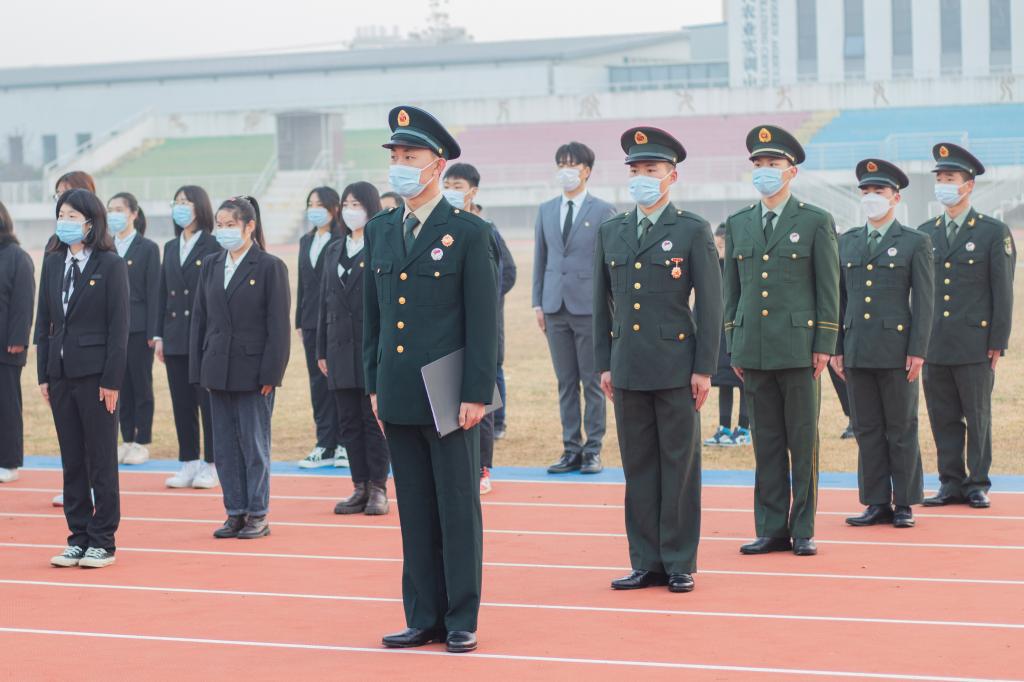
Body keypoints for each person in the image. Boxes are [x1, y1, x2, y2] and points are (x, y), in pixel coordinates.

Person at [364, 106, 497, 654]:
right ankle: (422, 616)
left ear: (437, 164)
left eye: (409, 156)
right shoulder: (380, 229)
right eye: (395, 156)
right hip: (398, 390)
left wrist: (476, 393)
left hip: (448, 393)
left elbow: (483, 321)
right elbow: (373, 317)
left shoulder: (468, 232)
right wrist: (374, 383)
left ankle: (460, 617)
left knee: (457, 508)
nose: (399, 165)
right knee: (415, 510)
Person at [594, 127, 722, 593]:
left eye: (651, 170)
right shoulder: (611, 231)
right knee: (639, 467)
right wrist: (604, 363)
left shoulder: (691, 229)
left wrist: (704, 368)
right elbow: (601, 302)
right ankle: (645, 560)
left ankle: (679, 560)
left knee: (679, 468)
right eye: (635, 170)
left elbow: (711, 304)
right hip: (627, 366)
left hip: (675, 366)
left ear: (672, 176)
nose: (642, 178)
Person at [723, 125, 840, 557]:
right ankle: (771, 527)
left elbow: (828, 287)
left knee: (802, 442)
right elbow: (732, 291)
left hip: (799, 349)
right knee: (766, 442)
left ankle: (803, 527)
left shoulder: (814, 220)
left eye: (773, 163)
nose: (765, 171)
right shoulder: (739, 223)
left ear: (792, 171)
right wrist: (734, 342)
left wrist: (824, 342)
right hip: (754, 349)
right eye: (758, 164)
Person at [832, 159, 933, 528]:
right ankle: (875, 501)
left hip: (897, 350)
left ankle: (904, 502)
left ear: (895, 197)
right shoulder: (847, 241)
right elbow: (838, 299)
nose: (871, 197)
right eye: (866, 191)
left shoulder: (914, 242)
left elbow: (924, 301)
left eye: (879, 191)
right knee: (867, 427)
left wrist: (918, 350)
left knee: (901, 427)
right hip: (857, 348)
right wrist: (837, 346)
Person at [917, 143, 1015, 510]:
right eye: (940, 179)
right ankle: (950, 481)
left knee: (977, 415)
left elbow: (1003, 291)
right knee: (942, 416)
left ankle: (977, 483)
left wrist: (998, 341)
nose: (944, 185)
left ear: (968, 185)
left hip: (975, 342)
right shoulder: (925, 233)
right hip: (935, 342)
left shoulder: (993, 232)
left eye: (950, 178)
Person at [37, 189, 129, 568]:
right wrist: (44, 373)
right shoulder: (53, 262)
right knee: (72, 459)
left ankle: (103, 539)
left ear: (91, 223)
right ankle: (77, 536)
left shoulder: (110, 264)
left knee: (101, 459)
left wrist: (112, 379)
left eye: (73, 216)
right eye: (61, 215)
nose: (65, 222)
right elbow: (44, 322)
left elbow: (119, 327)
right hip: (60, 375)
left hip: (96, 377)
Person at [190, 196, 291, 539]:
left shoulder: (270, 267)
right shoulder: (211, 264)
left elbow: (278, 327)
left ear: (250, 226)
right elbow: (200, 319)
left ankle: (257, 513)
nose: (224, 231)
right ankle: (235, 511)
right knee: (224, 447)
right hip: (217, 368)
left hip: (253, 372)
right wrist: (198, 369)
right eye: (220, 225)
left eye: (231, 225)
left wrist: (271, 374)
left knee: (253, 445)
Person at [532, 141, 617, 474]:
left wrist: (609, 308)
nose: (565, 171)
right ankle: (570, 448)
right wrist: (538, 303)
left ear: (587, 171)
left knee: (592, 382)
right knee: (565, 383)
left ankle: (592, 449)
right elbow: (541, 259)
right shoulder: (546, 210)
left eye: (572, 164)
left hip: (589, 308)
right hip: (554, 307)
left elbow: (610, 264)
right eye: (561, 164)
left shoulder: (603, 210)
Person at [317, 182, 391, 515]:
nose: (350, 210)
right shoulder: (334, 249)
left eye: (356, 204)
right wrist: (321, 349)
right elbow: (324, 301)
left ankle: (378, 487)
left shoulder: (382, 245)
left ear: (370, 208)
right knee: (347, 421)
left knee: (372, 420)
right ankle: (359, 485)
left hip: (370, 346)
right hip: (338, 347)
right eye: (346, 204)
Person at [442, 162, 516, 494]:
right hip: (447, 333)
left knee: (482, 400)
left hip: (482, 331)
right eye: (447, 185)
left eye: (457, 186)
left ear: (472, 191)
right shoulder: (440, 228)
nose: (451, 192)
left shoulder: (485, 229)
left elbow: (507, 271)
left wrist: (483, 302)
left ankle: (483, 467)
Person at [155, 186, 221, 489]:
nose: (180, 207)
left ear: (200, 207)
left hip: (203, 336)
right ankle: (189, 461)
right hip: (174, 335)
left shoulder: (213, 244)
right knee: (181, 402)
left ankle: (212, 463)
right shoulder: (170, 246)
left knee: (206, 403)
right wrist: (159, 335)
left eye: (186, 202)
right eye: (177, 202)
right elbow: (162, 292)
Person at [49, 172, 96, 507]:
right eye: (58, 202)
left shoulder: (104, 258)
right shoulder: (55, 254)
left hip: (92, 362)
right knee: (70, 439)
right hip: (62, 364)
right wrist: (45, 370)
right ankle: (75, 493)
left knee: (95, 439)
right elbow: (46, 318)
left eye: (69, 199)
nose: (63, 214)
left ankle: (95, 497)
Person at [107, 192, 160, 466]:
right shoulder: (106, 246)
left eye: (119, 209)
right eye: (110, 209)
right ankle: (126, 439)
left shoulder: (148, 248)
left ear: (133, 214)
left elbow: (154, 291)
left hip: (139, 329)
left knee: (141, 385)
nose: (113, 214)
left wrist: (153, 331)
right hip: (112, 329)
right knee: (119, 385)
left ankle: (142, 441)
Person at [296, 187, 346, 468]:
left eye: (320, 204)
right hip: (310, 323)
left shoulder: (342, 239)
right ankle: (324, 442)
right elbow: (303, 283)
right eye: (310, 204)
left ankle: (344, 443)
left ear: (334, 208)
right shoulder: (306, 240)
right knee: (318, 384)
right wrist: (299, 321)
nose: (314, 209)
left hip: (335, 321)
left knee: (339, 382)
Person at [470, 203, 516, 443]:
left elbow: (509, 271)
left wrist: (491, 298)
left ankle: (498, 421)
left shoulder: (490, 230)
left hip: (490, 315)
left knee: (494, 367)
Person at [705, 223, 750, 448]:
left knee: (743, 382)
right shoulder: (712, 267)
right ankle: (723, 428)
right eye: (716, 245)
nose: (718, 249)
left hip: (739, 331)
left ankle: (744, 428)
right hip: (719, 334)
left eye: (721, 245)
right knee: (724, 381)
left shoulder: (740, 266)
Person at [0, 201, 35, 484]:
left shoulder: (17, 257)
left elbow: (23, 302)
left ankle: (9, 462)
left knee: (6, 405)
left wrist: (18, 339)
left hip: (6, 346)